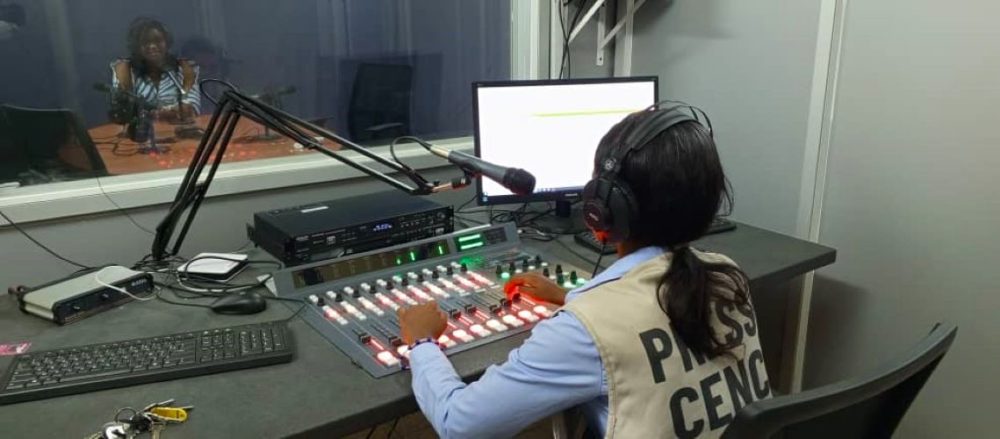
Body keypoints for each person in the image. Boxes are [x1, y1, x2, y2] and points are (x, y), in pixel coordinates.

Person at [397, 104, 771, 438]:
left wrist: (422, 343)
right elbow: (646, 318)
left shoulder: (584, 331)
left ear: (602, 208)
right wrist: (573, 297)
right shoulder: (726, 274)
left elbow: (459, 423)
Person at [109, 17, 201, 123]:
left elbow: (192, 108)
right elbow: (122, 110)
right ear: (136, 46)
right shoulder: (125, 69)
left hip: (180, 133)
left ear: (167, 42)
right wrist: (160, 114)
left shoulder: (184, 68)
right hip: (141, 135)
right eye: (145, 42)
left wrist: (170, 112)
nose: (152, 46)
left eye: (158, 41)